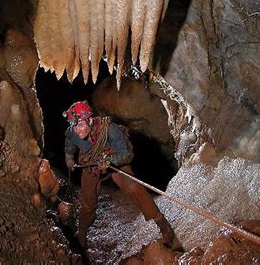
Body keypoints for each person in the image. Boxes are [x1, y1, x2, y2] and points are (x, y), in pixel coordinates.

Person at [63, 100, 181, 251]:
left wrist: (111, 160)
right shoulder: (73, 132)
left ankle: (162, 224)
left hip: (114, 162)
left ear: (91, 120)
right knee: (88, 201)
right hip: (91, 165)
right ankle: (82, 232)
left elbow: (126, 154)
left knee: (133, 187)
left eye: (80, 125)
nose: (77, 130)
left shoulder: (110, 130)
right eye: (74, 126)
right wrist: (69, 158)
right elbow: (69, 141)